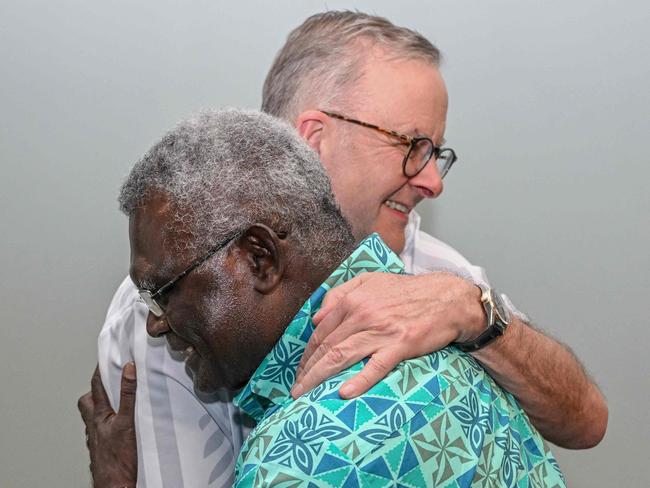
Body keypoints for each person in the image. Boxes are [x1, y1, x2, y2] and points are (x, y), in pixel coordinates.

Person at [92, 10, 606, 488]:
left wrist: (476, 312)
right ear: (314, 138)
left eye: (436, 153)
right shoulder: (176, 301)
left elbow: (586, 421)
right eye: (412, 146)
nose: (432, 180)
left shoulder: (442, 276)